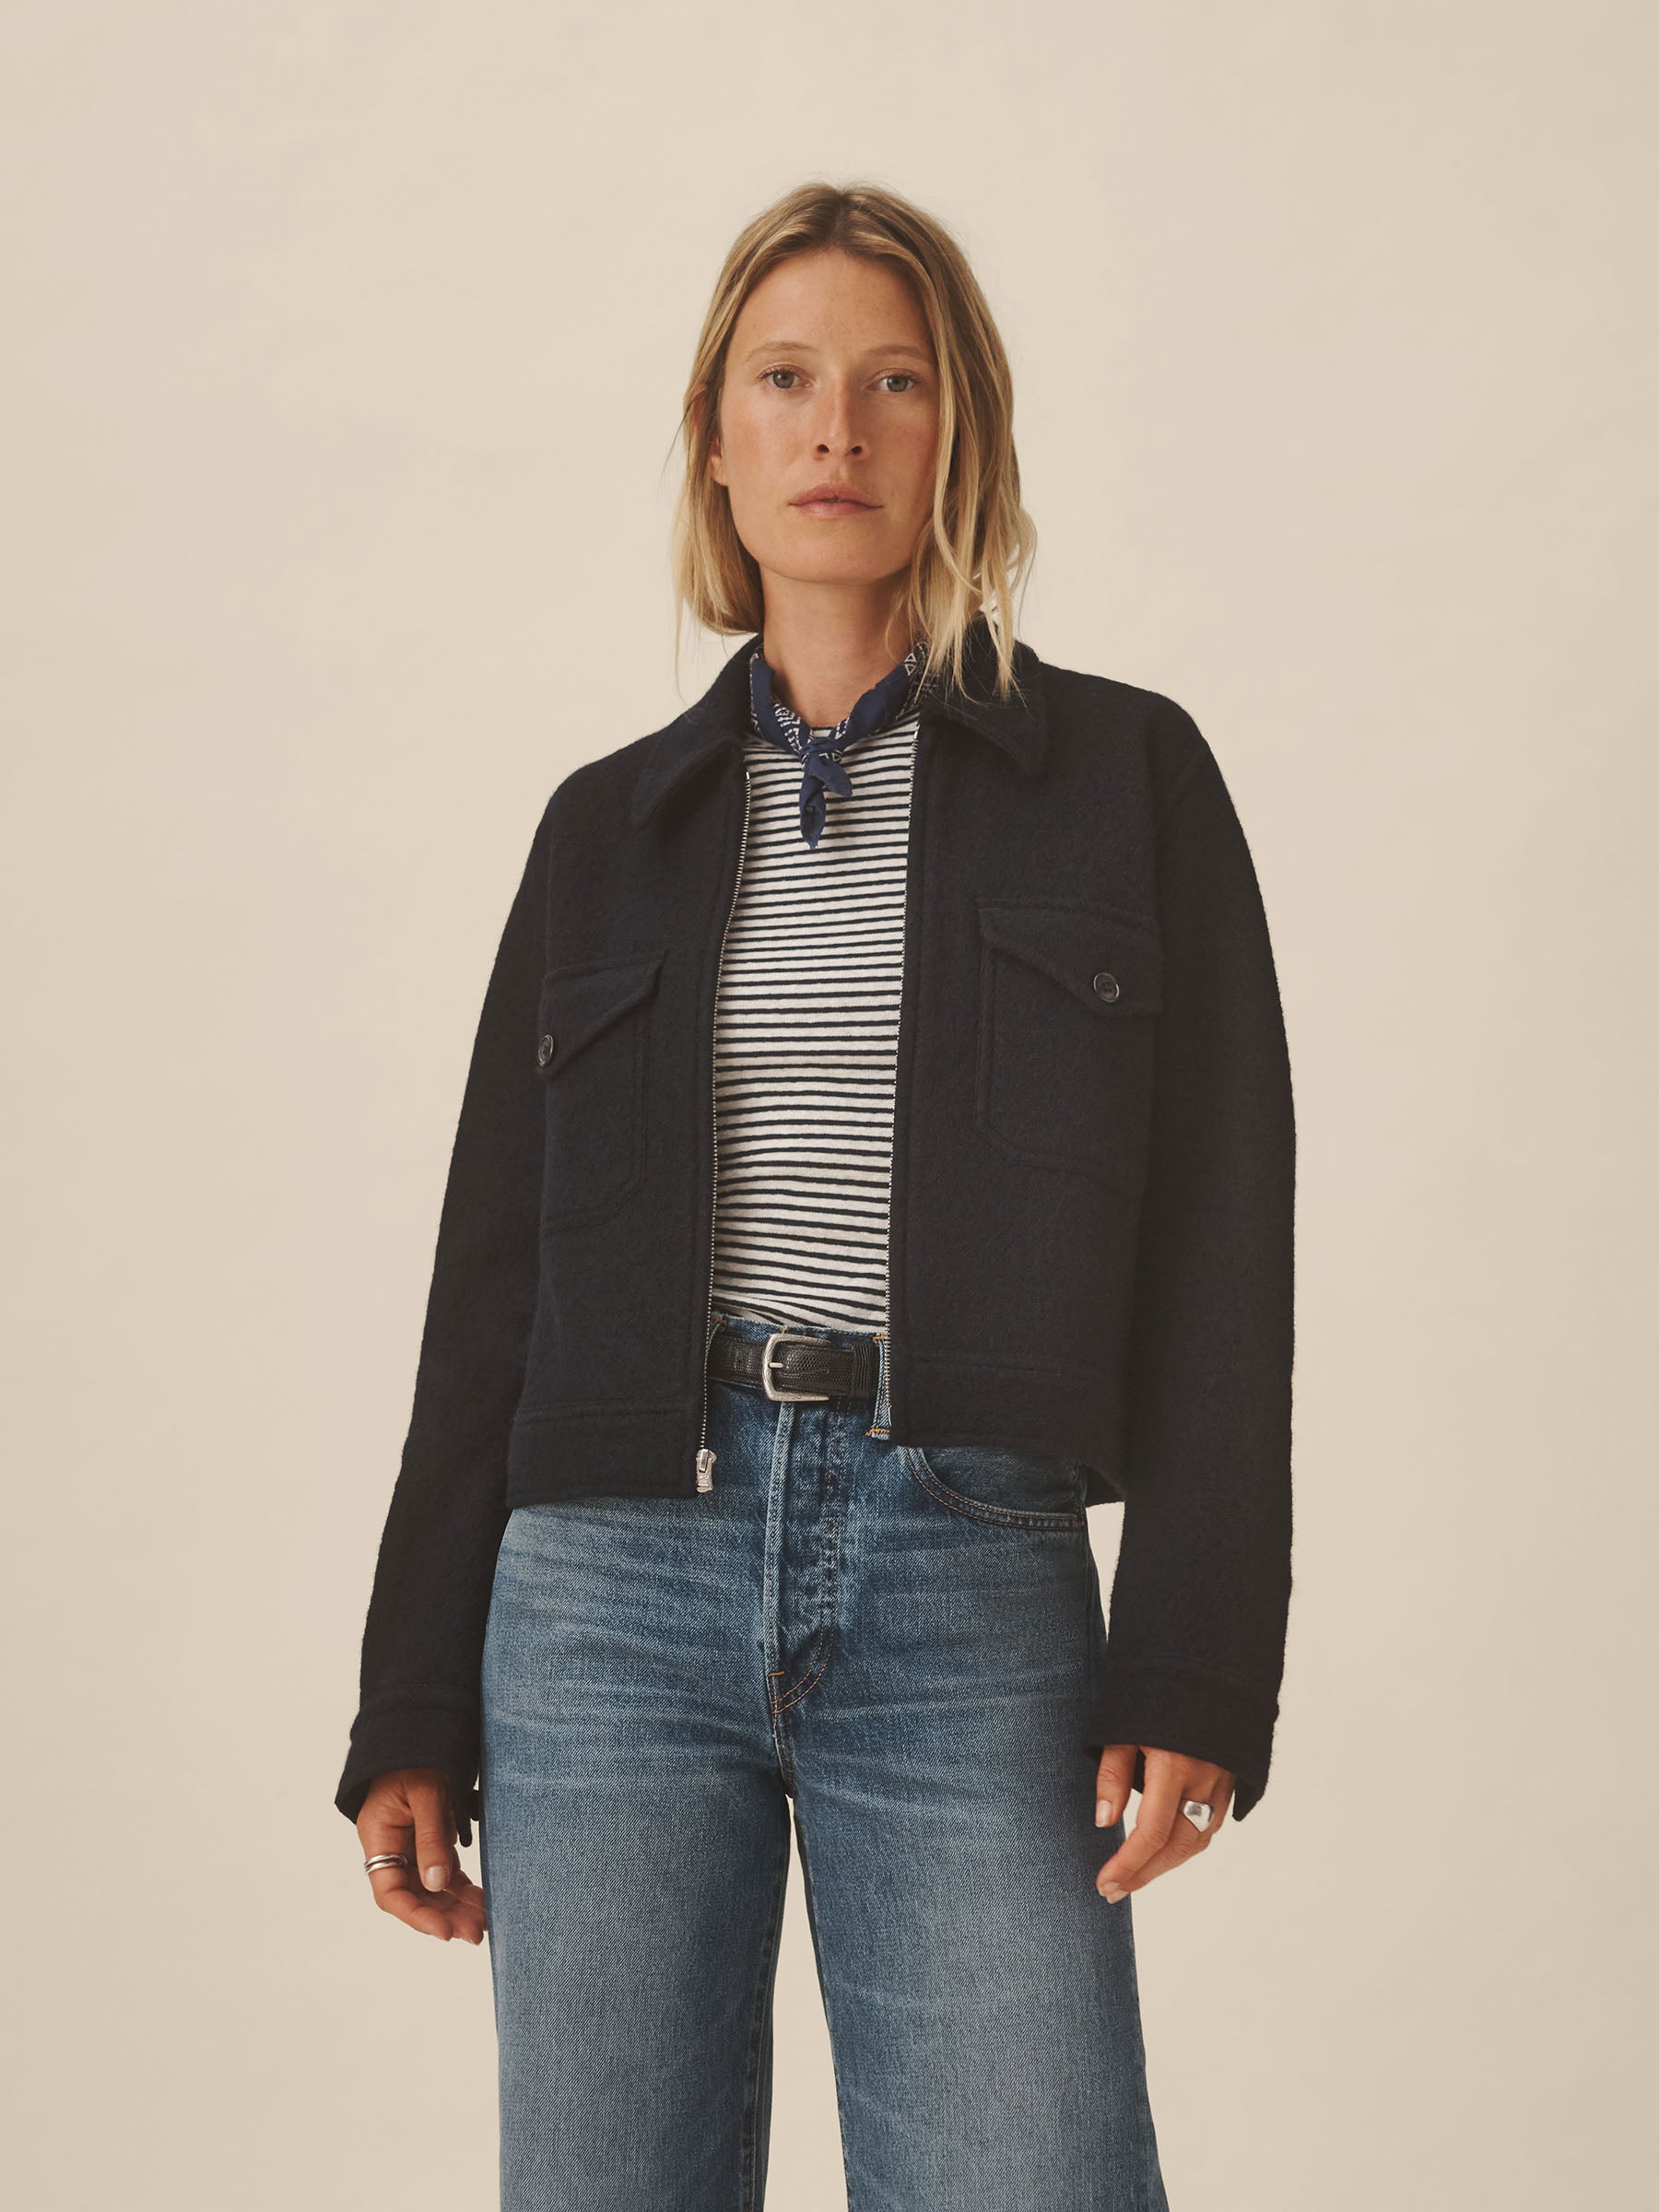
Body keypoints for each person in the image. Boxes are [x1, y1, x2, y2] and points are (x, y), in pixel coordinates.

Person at [335, 179, 1296, 2212]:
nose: (835, 430)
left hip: (969, 1562)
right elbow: (489, 1279)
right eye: (782, 380)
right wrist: (412, 1689)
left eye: (893, 382)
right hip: (606, 1592)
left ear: (964, 431)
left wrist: (1198, 1658)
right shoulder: (606, 831)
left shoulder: (1128, 781)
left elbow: (1228, 1239)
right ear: (716, 437)